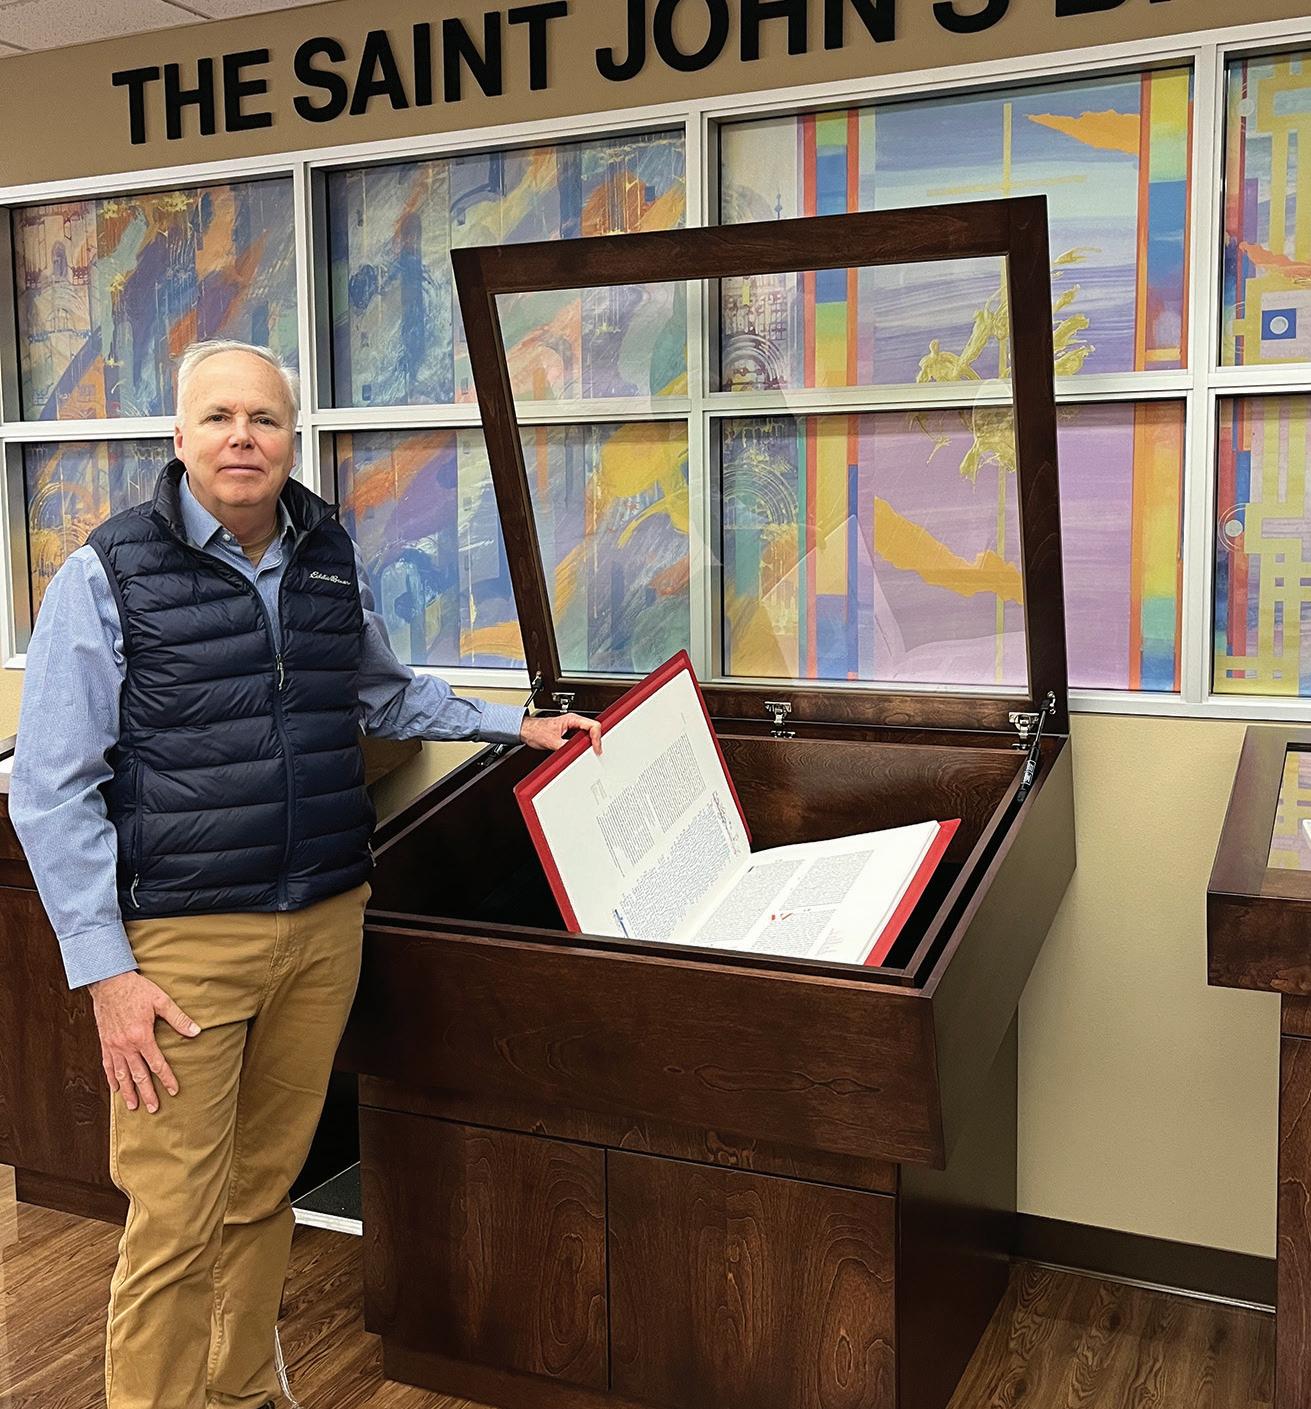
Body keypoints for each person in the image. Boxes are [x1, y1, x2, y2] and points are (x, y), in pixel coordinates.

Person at [8, 338, 600, 1409]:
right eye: (219, 417)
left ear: (292, 436)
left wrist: (515, 727)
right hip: (182, 949)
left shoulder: (327, 551)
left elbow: (381, 691)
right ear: (179, 437)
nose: (242, 436)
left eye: (264, 418)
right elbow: (51, 789)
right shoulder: (106, 574)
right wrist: (107, 974)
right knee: (174, 1215)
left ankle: (243, 1391)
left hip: (323, 923)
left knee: (262, 1190)